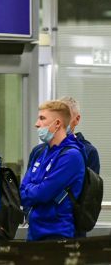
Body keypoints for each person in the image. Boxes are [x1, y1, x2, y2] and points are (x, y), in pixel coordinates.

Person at [20, 100, 85, 241]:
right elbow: (22, 190)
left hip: (57, 235)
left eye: (42, 118)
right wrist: (32, 190)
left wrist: (32, 190)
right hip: (34, 232)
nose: (37, 124)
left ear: (57, 124)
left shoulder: (71, 156)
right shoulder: (40, 152)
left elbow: (43, 193)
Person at [59, 96, 100, 174]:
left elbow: (91, 185)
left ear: (77, 119)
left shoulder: (88, 151)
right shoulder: (43, 149)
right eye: (57, 117)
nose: (61, 121)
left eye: (66, 116)